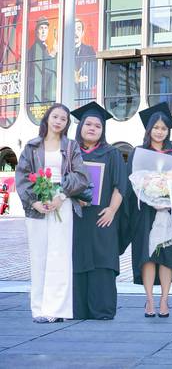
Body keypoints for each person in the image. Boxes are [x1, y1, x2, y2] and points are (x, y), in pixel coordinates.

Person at [15, 103, 89, 322]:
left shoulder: (71, 146)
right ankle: (39, 309)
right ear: (47, 118)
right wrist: (34, 202)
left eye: (63, 119)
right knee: (39, 255)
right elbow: (22, 177)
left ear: (67, 123)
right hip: (37, 205)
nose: (58, 121)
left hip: (62, 203)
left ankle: (57, 310)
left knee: (60, 255)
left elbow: (81, 176)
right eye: (55, 116)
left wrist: (61, 196)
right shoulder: (32, 146)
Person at [126, 102, 172, 318]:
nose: (160, 132)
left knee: (167, 256)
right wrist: (149, 198)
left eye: (163, 128)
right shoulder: (139, 153)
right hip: (145, 212)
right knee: (148, 255)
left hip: (170, 211)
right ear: (149, 129)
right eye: (156, 128)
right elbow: (131, 182)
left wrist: (170, 199)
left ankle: (164, 300)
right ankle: (150, 299)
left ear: (168, 131)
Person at [70, 102, 128, 320]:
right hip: (75, 216)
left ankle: (101, 309)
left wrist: (112, 210)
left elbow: (120, 185)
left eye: (97, 126)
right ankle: (77, 309)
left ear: (103, 130)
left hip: (103, 216)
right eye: (89, 124)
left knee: (102, 258)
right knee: (76, 257)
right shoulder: (70, 151)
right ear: (80, 126)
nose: (92, 128)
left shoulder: (111, 153)